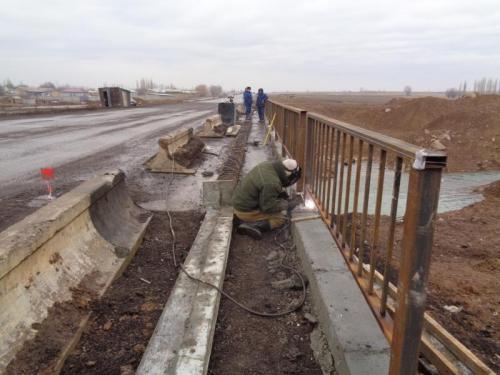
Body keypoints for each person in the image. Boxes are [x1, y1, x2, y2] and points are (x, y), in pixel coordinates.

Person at [232, 159, 302, 240]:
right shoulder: (272, 183)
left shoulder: (269, 165)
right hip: (244, 210)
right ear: (288, 174)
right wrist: (286, 204)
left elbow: (264, 187)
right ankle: (251, 226)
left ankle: (245, 219)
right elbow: (267, 207)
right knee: (281, 218)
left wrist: (281, 195)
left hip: (240, 202)